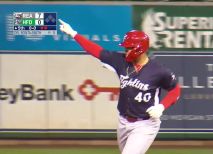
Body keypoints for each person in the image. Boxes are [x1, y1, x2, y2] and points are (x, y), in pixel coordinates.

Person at [58, 19, 181, 154]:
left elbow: (175, 90)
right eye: (125, 48)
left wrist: (162, 106)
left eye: (129, 48)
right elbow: (97, 51)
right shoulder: (120, 61)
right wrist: (74, 34)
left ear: (140, 48)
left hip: (145, 124)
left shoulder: (158, 71)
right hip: (123, 122)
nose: (126, 50)